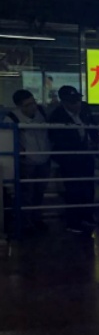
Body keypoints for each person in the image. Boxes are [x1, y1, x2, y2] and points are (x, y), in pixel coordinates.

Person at [48, 85, 99, 234]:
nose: (77, 104)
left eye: (77, 100)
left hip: (86, 156)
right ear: (64, 102)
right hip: (69, 159)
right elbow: (57, 138)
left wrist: (95, 142)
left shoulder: (84, 109)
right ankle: (73, 221)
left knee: (88, 187)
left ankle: (87, 216)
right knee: (73, 189)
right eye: (72, 101)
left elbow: (93, 127)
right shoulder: (57, 116)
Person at [3, 89, 52, 233]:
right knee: (26, 195)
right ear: (19, 106)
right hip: (26, 163)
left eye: (33, 103)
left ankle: (36, 219)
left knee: (39, 192)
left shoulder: (41, 112)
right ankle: (26, 223)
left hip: (43, 160)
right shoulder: (11, 119)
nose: (33, 107)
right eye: (28, 105)